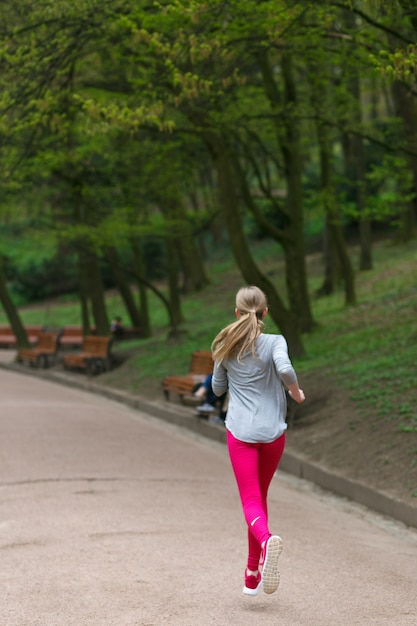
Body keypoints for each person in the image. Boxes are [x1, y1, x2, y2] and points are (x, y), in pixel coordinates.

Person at [211, 285, 305, 596]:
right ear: (265, 312)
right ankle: (253, 571)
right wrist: (296, 392)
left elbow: (217, 389)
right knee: (259, 497)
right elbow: (286, 368)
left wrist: (228, 368)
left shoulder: (226, 343)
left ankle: (265, 543)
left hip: (241, 433)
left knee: (251, 499)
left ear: (236, 312)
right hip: (274, 433)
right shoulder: (275, 341)